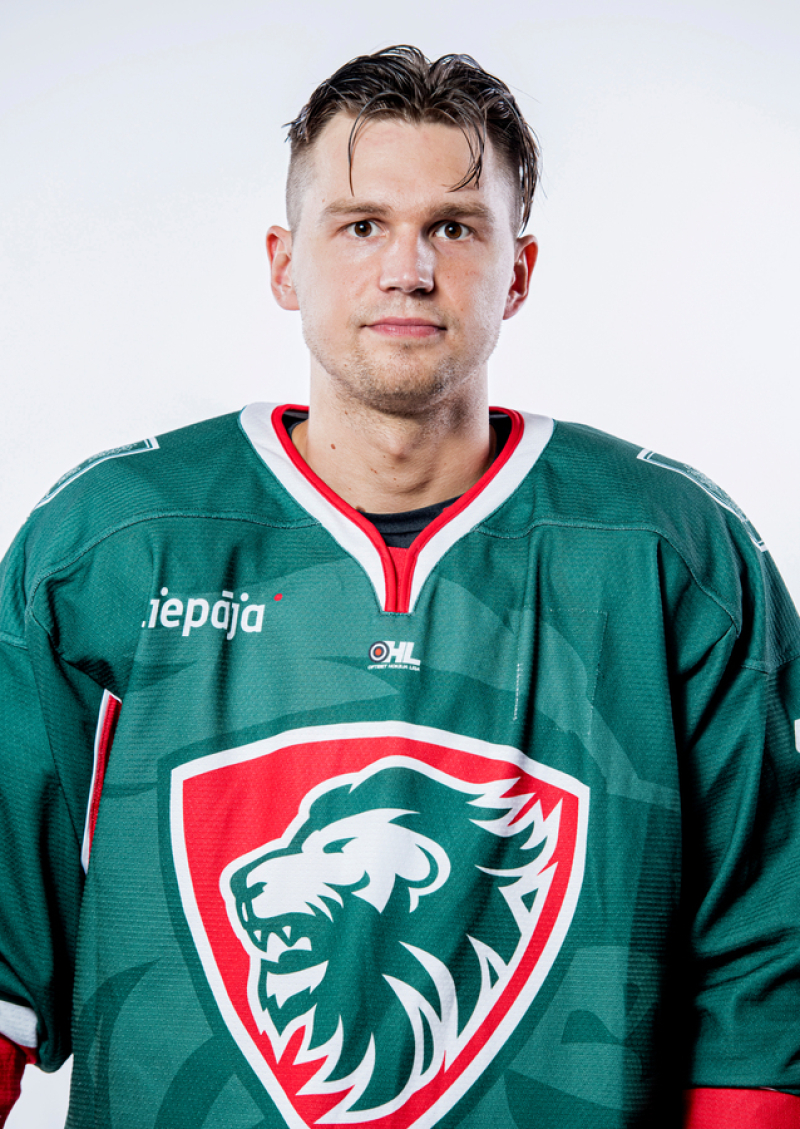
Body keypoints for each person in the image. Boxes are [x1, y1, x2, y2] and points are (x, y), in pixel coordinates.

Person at [0, 45, 798, 1129]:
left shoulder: (673, 555)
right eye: (361, 224)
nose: (408, 269)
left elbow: (762, 977)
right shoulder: (111, 546)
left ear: (518, 271)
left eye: (454, 228)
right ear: (285, 264)